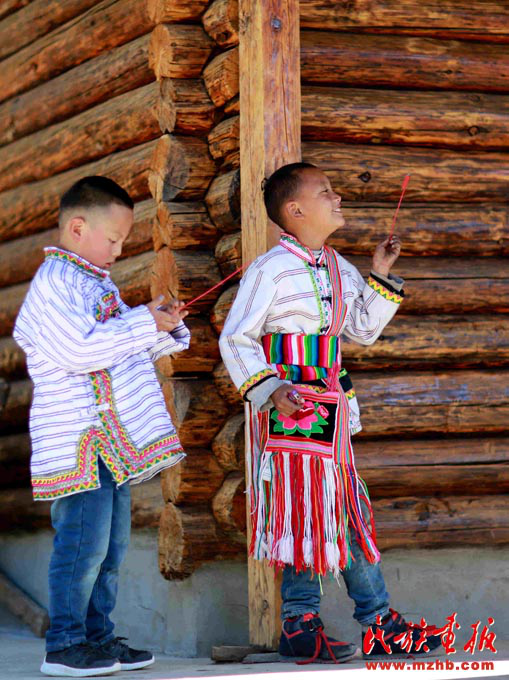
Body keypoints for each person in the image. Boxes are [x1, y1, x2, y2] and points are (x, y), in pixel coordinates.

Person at [219, 163, 442, 663]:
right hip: (291, 406)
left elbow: (361, 330)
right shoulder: (269, 270)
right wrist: (272, 389)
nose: (337, 197)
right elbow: (235, 338)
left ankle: (337, 624)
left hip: (332, 405)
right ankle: (340, 622)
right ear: (295, 210)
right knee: (308, 508)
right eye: (326, 191)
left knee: (334, 507)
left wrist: (378, 275)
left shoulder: (339, 267)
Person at [13, 176, 190, 677]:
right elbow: (79, 350)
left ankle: (97, 638)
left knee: (110, 548)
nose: (118, 250)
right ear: (77, 228)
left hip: (109, 443)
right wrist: (140, 323)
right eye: (113, 239)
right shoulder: (54, 283)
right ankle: (64, 645)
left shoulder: (95, 283)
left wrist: (161, 325)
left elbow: (118, 349)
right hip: (79, 441)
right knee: (82, 546)